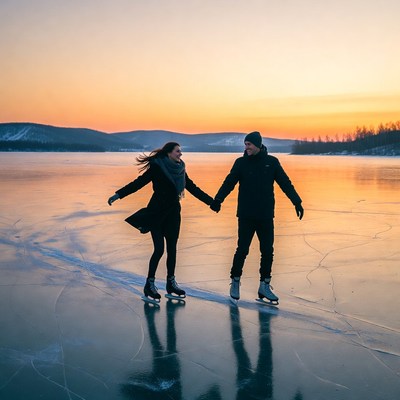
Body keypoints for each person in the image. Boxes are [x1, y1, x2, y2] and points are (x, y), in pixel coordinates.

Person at [108, 142, 215, 303]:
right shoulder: (158, 167)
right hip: (157, 212)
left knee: (172, 249)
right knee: (159, 249)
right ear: (169, 153)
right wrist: (118, 195)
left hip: (173, 214)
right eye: (178, 151)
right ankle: (149, 284)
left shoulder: (180, 169)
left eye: (181, 151)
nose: (181, 154)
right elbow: (139, 183)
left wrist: (211, 202)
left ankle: (171, 283)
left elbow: (192, 188)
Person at [210, 131, 304, 303]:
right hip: (246, 214)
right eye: (245, 144)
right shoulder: (240, 163)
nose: (246, 148)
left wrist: (297, 202)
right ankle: (235, 281)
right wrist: (218, 199)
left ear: (258, 145)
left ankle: (264, 285)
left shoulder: (272, 162)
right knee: (242, 249)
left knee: (267, 251)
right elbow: (229, 182)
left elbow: (285, 183)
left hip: (266, 215)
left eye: (249, 145)